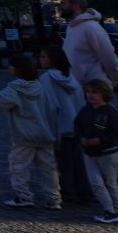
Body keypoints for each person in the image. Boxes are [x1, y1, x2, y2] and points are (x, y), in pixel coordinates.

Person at [0, 52, 60, 209]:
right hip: (45, 134)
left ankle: (23, 196)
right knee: (49, 169)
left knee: (18, 166)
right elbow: (52, 109)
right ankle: (54, 199)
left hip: (24, 136)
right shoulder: (41, 87)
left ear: (16, 69)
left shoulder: (16, 89)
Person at [37, 45, 86, 209]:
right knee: (78, 161)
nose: (41, 60)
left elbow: (49, 105)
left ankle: (68, 193)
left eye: (44, 56)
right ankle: (84, 191)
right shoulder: (71, 76)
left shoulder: (47, 79)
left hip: (60, 126)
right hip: (76, 125)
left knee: (62, 163)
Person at [75, 78, 118, 223]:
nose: (91, 95)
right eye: (88, 92)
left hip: (108, 154)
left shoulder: (109, 112)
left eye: (95, 92)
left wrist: (101, 141)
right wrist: (81, 138)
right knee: (96, 183)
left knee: (110, 183)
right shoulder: (85, 110)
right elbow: (77, 126)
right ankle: (109, 210)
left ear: (105, 94)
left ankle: (116, 211)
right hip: (90, 153)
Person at [58, 0, 118, 93]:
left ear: (76, 5)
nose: (60, 7)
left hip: (94, 90)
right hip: (77, 88)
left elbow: (108, 57)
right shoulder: (71, 27)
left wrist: (115, 80)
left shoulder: (91, 27)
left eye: (63, 3)